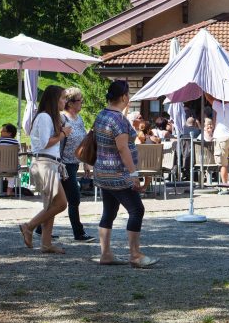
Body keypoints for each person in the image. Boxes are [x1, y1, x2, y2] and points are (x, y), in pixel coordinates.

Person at [92, 80, 157, 268]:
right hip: (118, 174)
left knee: (109, 212)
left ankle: (106, 254)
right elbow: (122, 148)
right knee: (136, 210)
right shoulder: (118, 120)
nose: (129, 97)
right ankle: (135, 255)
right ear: (123, 97)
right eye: (128, 94)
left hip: (103, 171)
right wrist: (133, 173)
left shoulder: (102, 115)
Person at [19, 85, 71, 254]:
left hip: (49, 164)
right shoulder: (44, 117)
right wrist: (63, 134)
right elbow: (44, 143)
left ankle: (46, 244)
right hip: (44, 164)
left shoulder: (49, 117)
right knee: (61, 204)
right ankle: (29, 226)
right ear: (54, 100)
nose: (65, 101)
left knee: (51, 205)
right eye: (63, 98)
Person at [58, 87, 91, 242]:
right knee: (74, 198)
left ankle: (39, 227)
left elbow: (83, 141)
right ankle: (79, 233)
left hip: (74, 163)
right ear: (70, 103)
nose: (82, 103)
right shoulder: (62, 119)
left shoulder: (79, 119)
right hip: (63, 165)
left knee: (56, 200)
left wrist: (86, 163)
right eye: (79, 100)